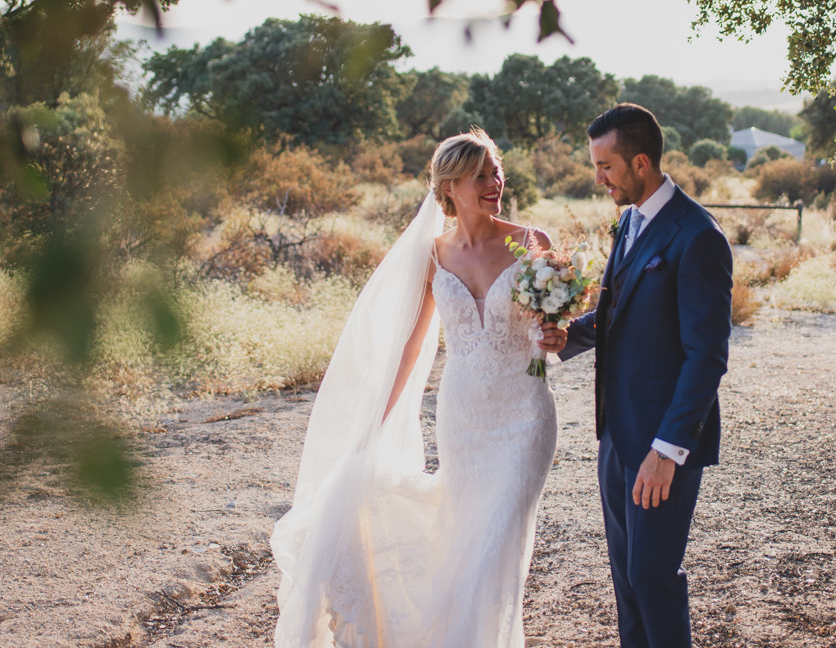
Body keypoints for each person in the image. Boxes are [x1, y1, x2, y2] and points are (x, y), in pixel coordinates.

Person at [271, 127, 564, 648]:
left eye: (496, 171)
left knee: (497, 547)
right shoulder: (433, 255)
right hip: (462, 420)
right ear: (450, 187)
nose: (494, 183)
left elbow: (553, 329)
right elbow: (409, 349)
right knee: (464, 543)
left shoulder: (531, 242)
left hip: (524, 418)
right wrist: (372, 427)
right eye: (479, 175)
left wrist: (554, 336)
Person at [556, 103, 733, 648]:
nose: (598, 178)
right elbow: (619, 311)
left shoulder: (698, 236)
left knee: (653, 579)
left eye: (605, 166)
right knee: (627, 582)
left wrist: (668, 449)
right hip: (615, 436)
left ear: (640, 162)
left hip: (661, 444)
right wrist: (568, 338)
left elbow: (707, 357)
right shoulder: (630, 219)